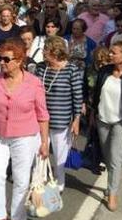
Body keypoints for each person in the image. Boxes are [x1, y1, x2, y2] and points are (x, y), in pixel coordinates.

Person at [0, 37, 49, 220]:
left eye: (6, 59)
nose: (2, 62)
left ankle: (17, 217)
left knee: (20, 178)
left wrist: (44, 142)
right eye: (0, 58)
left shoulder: (34, 83)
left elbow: (42, 115)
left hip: (25, 136)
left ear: (19, 61)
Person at [92, 42, 122, 212]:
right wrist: (93, 113)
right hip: (102, 120)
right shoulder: (104, 72)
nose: (110, 55)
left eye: (114, 53)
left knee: (114, 158)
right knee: (107, 156)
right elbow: (96, 94)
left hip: (121, 123)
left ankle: (112, 193)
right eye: (110, 52)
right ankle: (110, 185)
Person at [34, 37, 84, 192]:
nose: (42, 52)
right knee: (39, 149)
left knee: (59, 153)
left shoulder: (71, 70)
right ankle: (39, 180)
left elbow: (77, 96)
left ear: (55, 52)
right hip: (40, 118)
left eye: (45, 50)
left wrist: (76, 120)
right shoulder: (41, 67)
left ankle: (59, 180)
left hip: (60, 120)